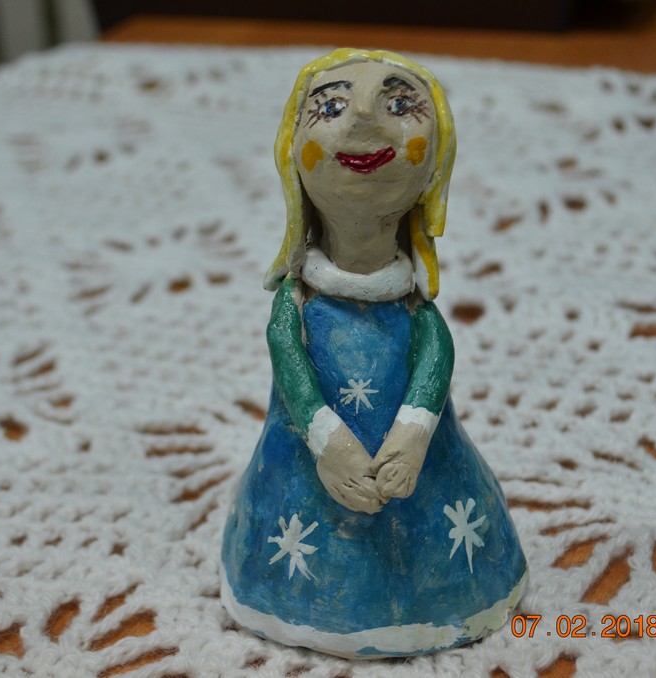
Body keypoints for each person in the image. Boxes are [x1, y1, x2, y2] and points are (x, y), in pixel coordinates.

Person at [220, 48, 528, 659]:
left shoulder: (417, 314)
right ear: (293, 154)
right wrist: (328, 443)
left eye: (400, 104)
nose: (364, 117)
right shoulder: (295, 310)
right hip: (307, 485)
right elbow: (294, 376)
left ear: (435, 161)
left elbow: (434, 360)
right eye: (331, 107)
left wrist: (413, 435)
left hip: (423, 485)